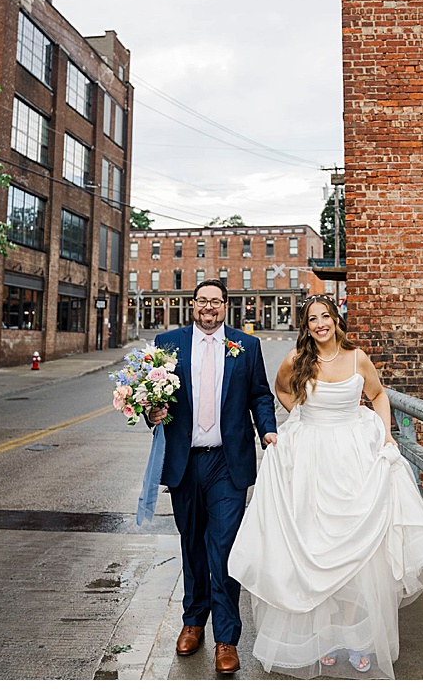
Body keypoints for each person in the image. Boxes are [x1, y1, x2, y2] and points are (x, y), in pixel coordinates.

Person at [228, 296, 423, 678]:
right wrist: (301, 417)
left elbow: (378, 395)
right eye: (312, 319)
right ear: (306, 325)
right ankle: (325, 639)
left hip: (353, 460)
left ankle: (359, 638)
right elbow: (282, 391)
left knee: (357, 553)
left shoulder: (357, 357)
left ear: (336, 320)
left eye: (325, 317)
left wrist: (385, 436)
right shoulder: (296, 361)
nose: (320, 325)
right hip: (311, 463)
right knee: (316, 548)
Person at [144, 279, 276, 675]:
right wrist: (150, 413)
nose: (208, 308)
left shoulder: (246, 346)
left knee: (222, 548)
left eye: (216, 302)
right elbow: (150, 396)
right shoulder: (168, 343)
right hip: (185, 462)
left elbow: (259, 395)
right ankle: (193, 621)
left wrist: (267, 429)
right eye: (202, 301)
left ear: (225, 307)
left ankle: (226, 639)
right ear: (193, 305)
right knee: (192, 546)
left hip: (227, 463)